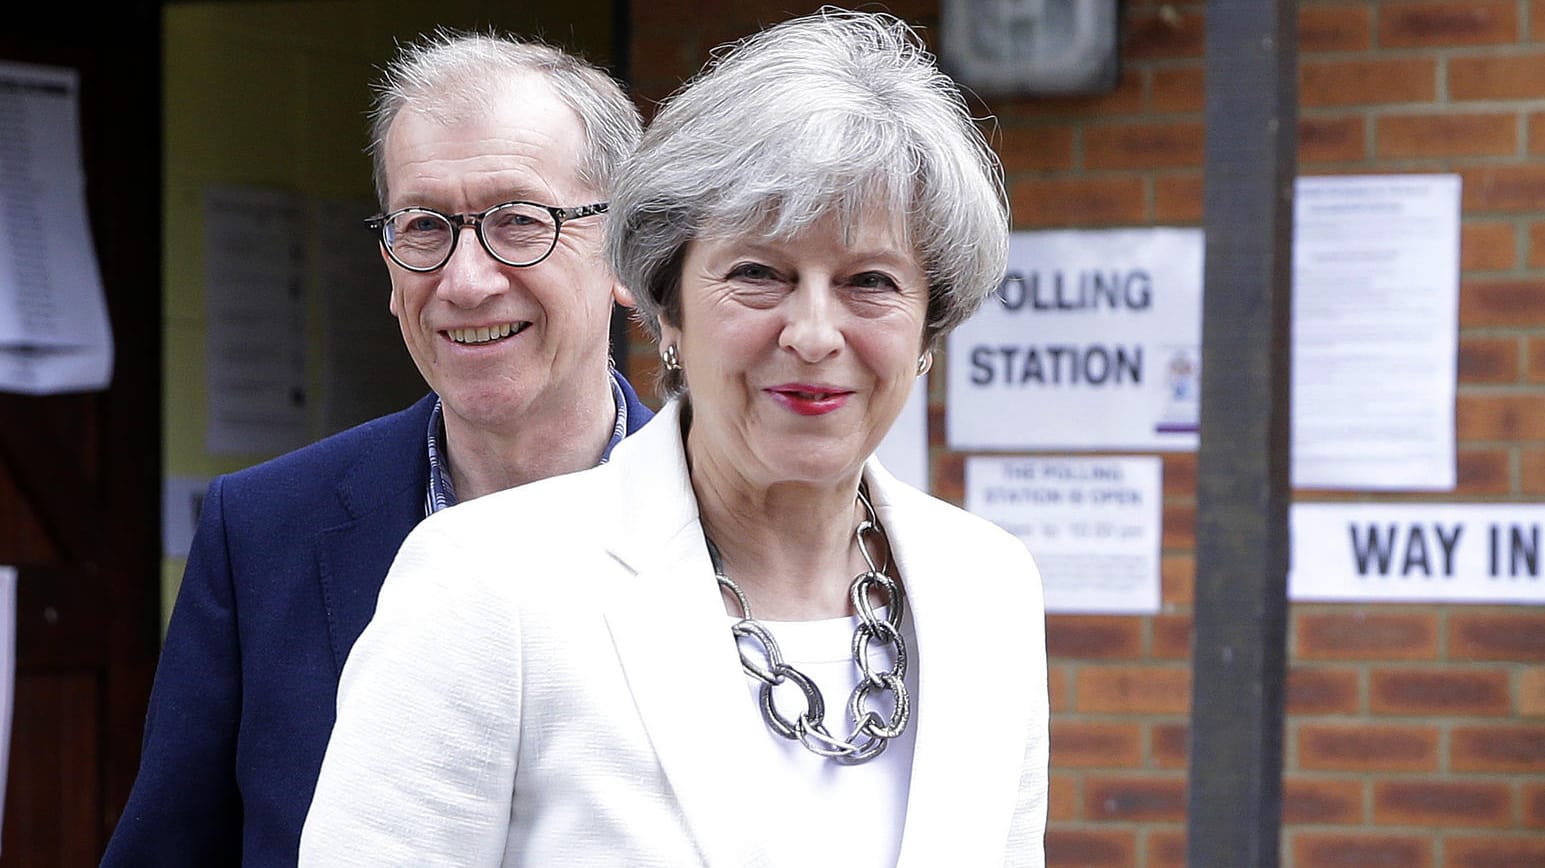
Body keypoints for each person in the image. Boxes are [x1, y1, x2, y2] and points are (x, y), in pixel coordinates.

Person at [300, 10, 1047, 866]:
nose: (811, 332)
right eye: (757, 274)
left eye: (868, 281)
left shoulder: (987, 589)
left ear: (926, 330)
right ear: (668, 312)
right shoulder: (486, 583)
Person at [102, 31, 651, 867]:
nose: (466, 282)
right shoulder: (261, 530)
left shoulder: (734, 527)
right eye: (425, 226)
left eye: (518, 221)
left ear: (624, 250)